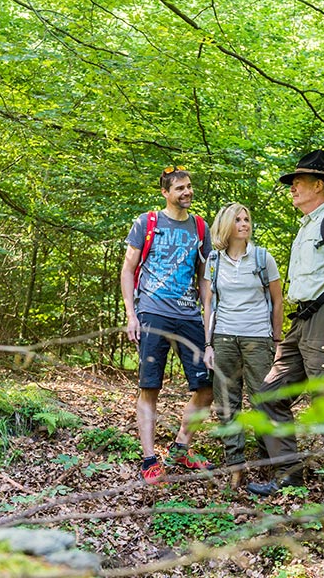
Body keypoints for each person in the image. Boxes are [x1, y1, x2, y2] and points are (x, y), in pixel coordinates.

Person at [246, 150, 324, 502]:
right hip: (302, 322)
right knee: (268, 395)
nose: (292, 187)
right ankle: (290, 475)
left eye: (299, 182)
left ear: (319, 185)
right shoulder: (308, 226)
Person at [120, 165, 215, 485]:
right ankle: (149, 459)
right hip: (152, 312)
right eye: (180, 188)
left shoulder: (201, 228)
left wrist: (208, 318)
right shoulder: (147, 223)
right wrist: (132, 315)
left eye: (189, 187)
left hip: (190, 317)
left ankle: (181, 448)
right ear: (165, 193)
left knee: (205, 388)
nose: (187, 192)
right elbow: (128, 268)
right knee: (150, 387)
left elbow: (204, 278)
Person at [201, 203, 283, 490]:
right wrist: (208, 343)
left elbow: (277, 302)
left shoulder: (263, 258)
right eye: (238, 219)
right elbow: (209, 305)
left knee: (264, 401)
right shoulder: (214, 260)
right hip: (223, 338)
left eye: (247, 219)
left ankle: (268, 465)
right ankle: (235, 464)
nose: (244, 223)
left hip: (258, 339)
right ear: (226, 225)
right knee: (226, 404)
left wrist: (277, 341)